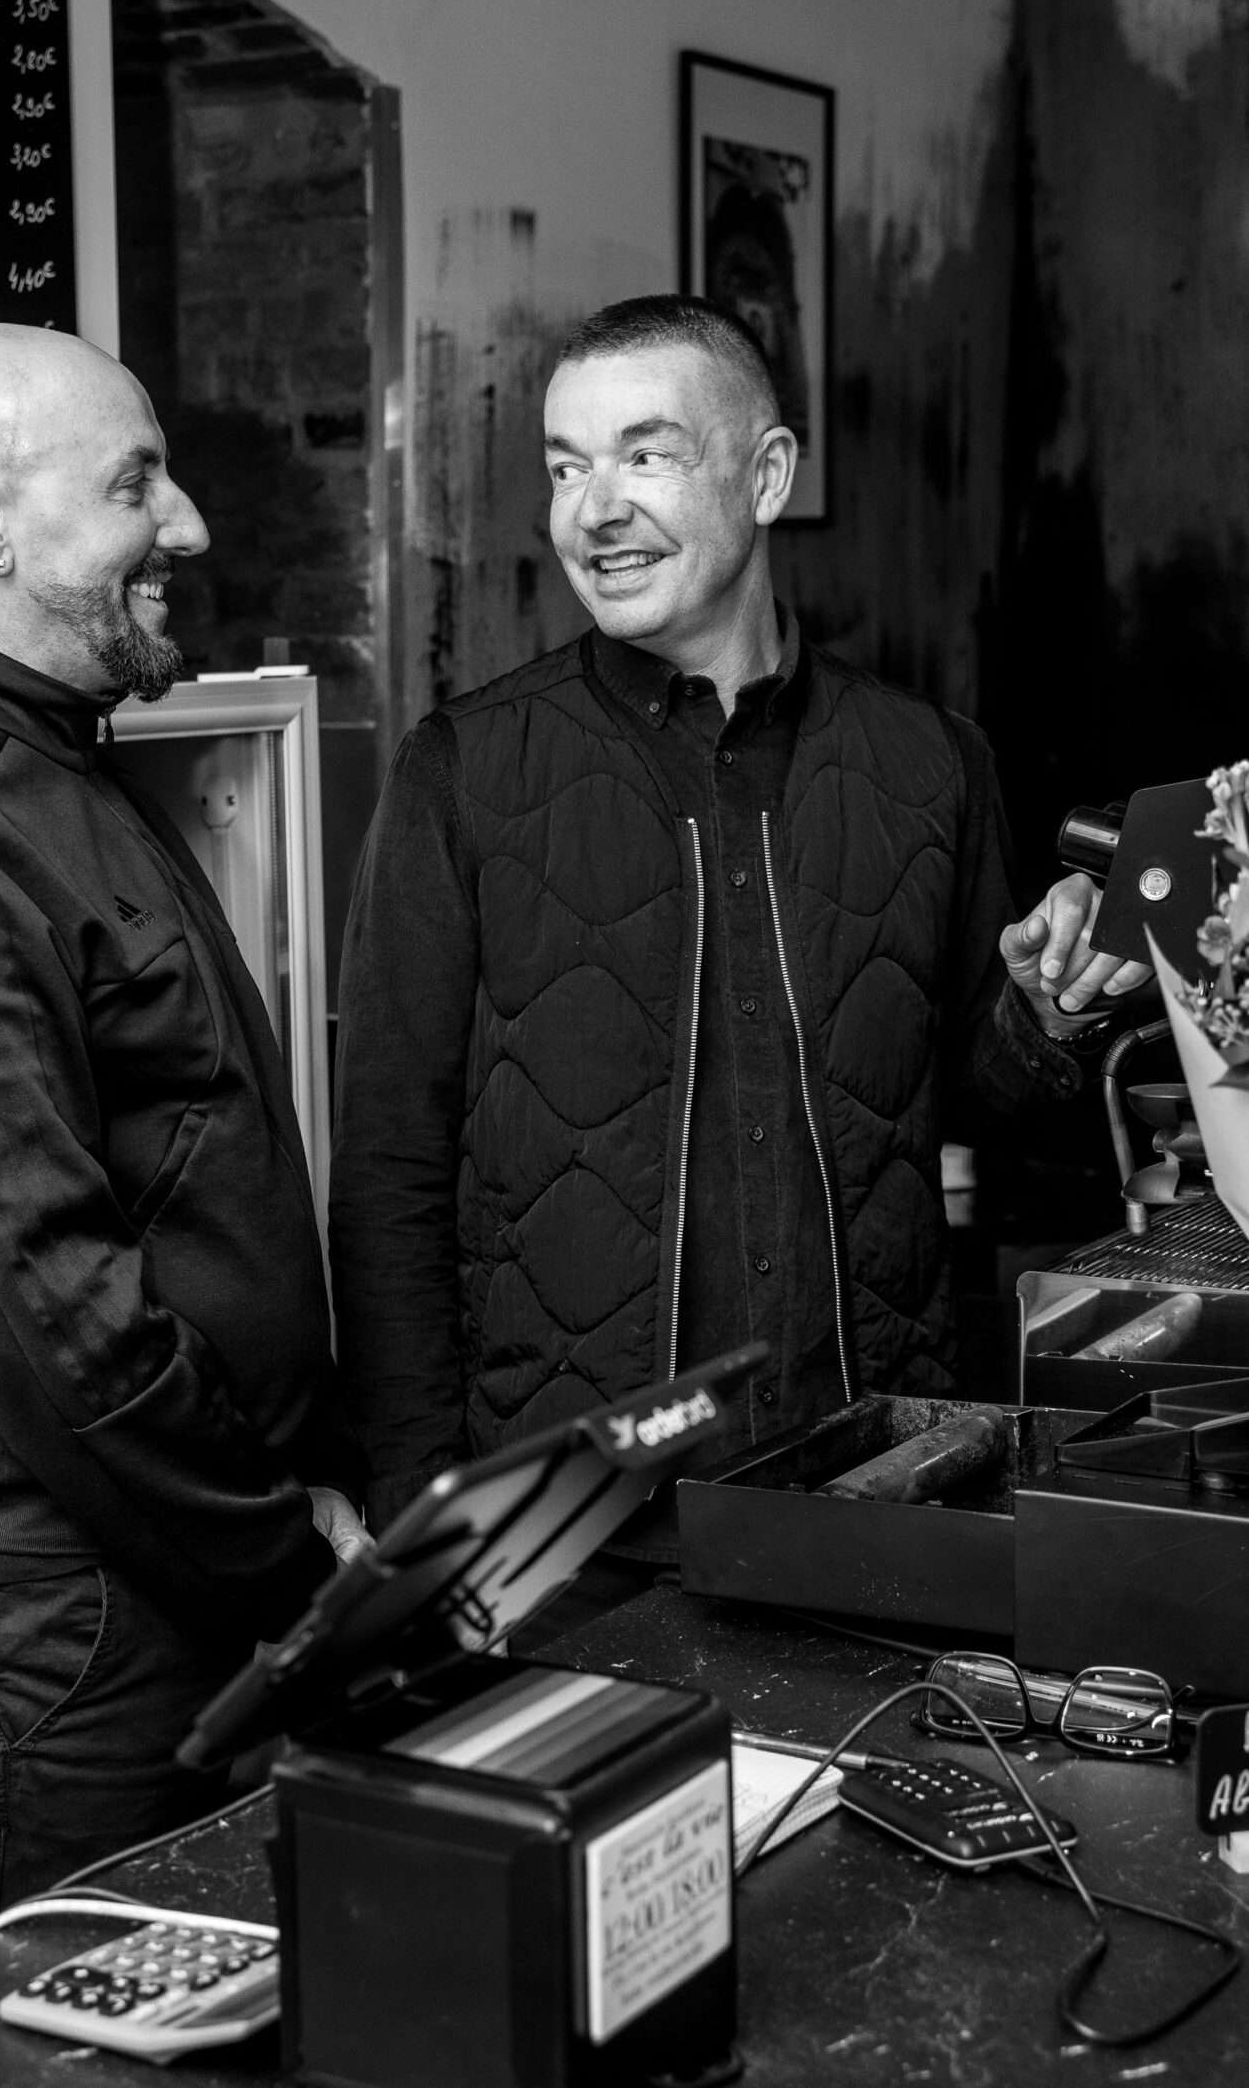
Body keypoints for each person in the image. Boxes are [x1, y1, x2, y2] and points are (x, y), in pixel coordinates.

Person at [0, 323, 367, 1985]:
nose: (188, 525)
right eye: (132, 485)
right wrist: (282, 1548)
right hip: (41, 1645)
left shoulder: (49, 764)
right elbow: (52, 1318)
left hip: (147, 1585)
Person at [330, 295, 1146, 1533]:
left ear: (766, 476)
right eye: (566, 467)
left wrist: (1043, 1013)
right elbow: (388, 1173)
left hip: (871, 1475)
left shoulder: (931, 761)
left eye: (646, 455)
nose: (594, 510)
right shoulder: (463, 772)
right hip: (571, 1520)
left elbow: (963, 1106)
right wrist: (418, 1511)